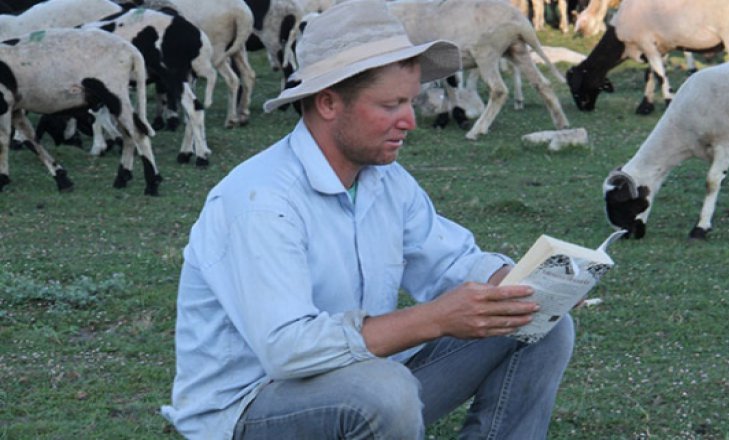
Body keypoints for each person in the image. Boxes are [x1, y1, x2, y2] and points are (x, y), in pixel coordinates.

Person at [161, 0, 575, 438]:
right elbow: (287, 351)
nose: (410, 121)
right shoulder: (260, 200)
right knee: (384, 390)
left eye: (411, 102)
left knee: (538, 321)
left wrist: (528, 282)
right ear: (327, 103)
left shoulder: (385, 180)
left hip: (364, 378)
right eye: (391, 104)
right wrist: (434, 319)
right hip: (249, 408)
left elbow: (450, 262)